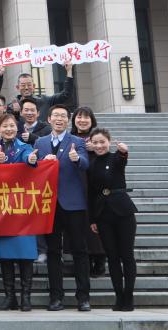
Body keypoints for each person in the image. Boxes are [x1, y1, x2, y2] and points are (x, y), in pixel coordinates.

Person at [30, 104, 91, 311]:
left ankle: (83, 297)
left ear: (68, 120)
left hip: (73, 204)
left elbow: (85, 163)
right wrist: (35, 161)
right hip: (49, 204)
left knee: (79, 250)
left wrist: (76, 159)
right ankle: (56, 297)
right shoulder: (40, 142)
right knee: (53, 251)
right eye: (55, 115)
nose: (59, 119)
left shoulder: (77, 141)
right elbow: (33, 168)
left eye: (63, 116)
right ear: (49, 119)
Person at [0, 114, 37, 312]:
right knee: (5, 255)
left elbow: (28, 159)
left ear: (18, 128)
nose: (8, 129)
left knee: (25, 254)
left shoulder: (25, 148)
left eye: (12, 126)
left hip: (22, 208)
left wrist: (31, 159)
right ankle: (10, 297)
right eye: (4, 126)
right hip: (0, 209)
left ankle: (26, 297)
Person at [88, 128, 138, 311]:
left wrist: (124, 151)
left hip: (123, 212)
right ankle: (119, 297)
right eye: (95, 142)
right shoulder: (91, 164)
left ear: (109, 142)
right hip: (103, 215)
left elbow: (122, 160)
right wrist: (92, 219)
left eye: (102, 142)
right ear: (91, 144)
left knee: (127, 255)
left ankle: (129, 297)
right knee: (112, 257)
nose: (99, 146)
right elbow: (91, 193)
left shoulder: (115, 158)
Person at [72, 106, 106, 277]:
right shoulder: (70, 137)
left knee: (95, 224)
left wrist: (96, 148)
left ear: (92, 120)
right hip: (75, 185)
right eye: (79, 117)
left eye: (86, 117)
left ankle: (99, 260)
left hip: (95, 186)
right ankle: (83, 260)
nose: (82, 120)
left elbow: (108, 155)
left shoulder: (97, 138)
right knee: (79, 225)